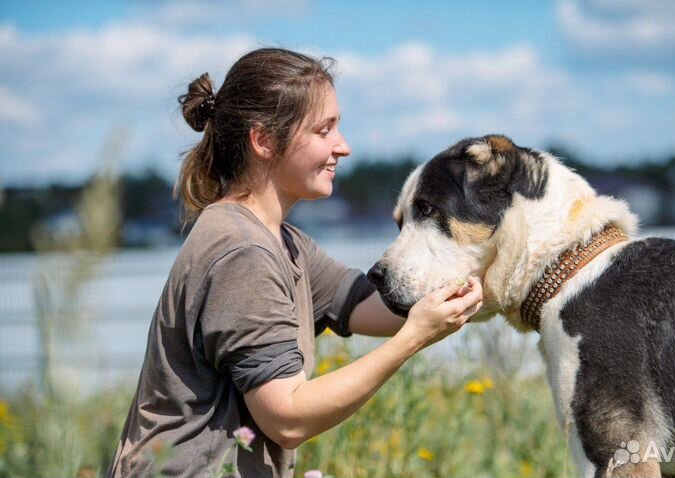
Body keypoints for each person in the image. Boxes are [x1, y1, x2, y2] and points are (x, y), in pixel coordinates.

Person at [107, 47, 483, 478]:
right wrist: (413, 339)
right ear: (264, 140)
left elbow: (369, 305)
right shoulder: (242, 253)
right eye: (325, 130)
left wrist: (476, 276)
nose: (344, 147)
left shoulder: (284, 243)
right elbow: (286, 418)